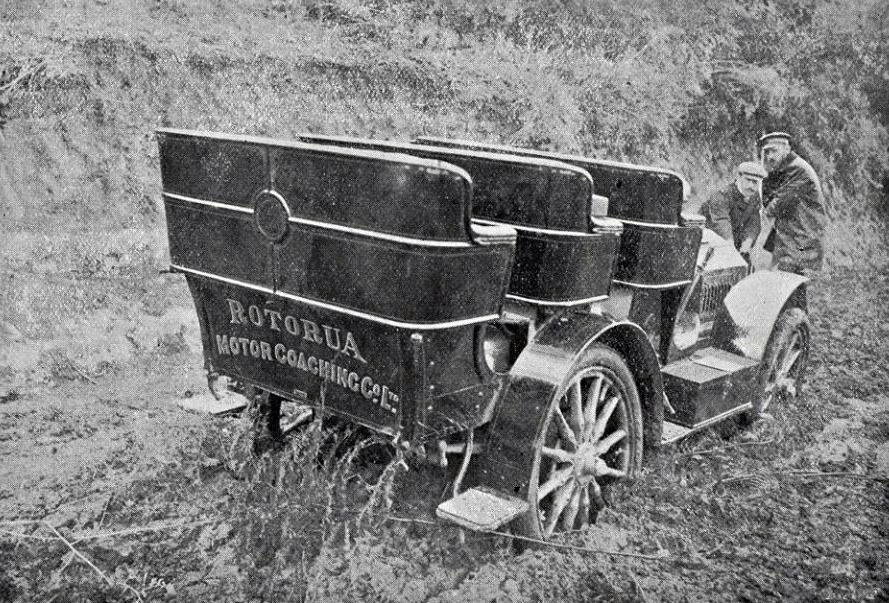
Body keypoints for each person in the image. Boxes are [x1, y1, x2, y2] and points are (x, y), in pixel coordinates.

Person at [758, 132, 827, 276]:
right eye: (767, 152)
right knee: (785, 280)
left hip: (801, 238)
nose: (770, 156)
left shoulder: (798, 169)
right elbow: (768, 199)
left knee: (788, 280)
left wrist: (762, 214)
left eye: (774, 151)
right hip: (791, 237)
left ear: (787, 149)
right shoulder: (783, 169)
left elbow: (779, 203)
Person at [701, 161, 767, 262]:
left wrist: (748, 241)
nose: (751, 186)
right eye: (748, 180)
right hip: (710, 243)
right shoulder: (722, 195)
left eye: (755, 182)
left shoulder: (754, 196)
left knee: (746, 266)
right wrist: (730, 247)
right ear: (739, 177)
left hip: (734, 242)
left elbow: (754, 222)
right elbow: (721, 223)